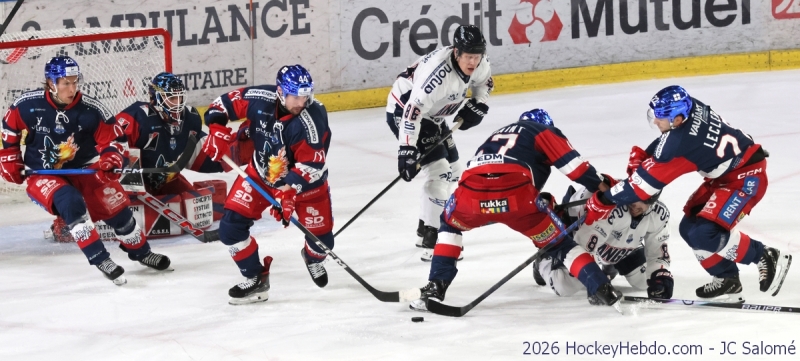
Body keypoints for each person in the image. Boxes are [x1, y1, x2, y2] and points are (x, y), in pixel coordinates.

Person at [584, 85, 792, 301]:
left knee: (705, 234)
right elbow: (668, 140)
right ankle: (727, 279)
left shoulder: (680, 143)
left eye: (660, 117)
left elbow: (641, 187)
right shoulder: (690, 106)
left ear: (676, 119)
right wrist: (647, 154)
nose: (655, 121)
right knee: (690, 227)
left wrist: (604, 200)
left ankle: (765, 255)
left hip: (746, 177)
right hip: (727, 176)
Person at [409, 108, 622, 311]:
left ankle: (436, 286)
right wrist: (604, 190)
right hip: (518, 198)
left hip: (470, 196)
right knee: (560, 245)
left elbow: (486, 182)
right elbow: (575, 167)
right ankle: (601, 287)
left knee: (448, 225)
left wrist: (492, 209)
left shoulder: (496, 135)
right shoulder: (541, 130)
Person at [0, 56, 171, 285]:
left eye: (74, 82)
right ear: (51, 83)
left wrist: (111, 161)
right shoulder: (27, 104)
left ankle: (141, 253)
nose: (72, 88)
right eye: (66, 83)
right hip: (43, 174)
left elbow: (114, 140)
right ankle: (101, 259)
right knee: (71, 203)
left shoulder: (91, 109)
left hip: (85, 169)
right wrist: (9, 158)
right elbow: (9, 128)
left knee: (118, 209)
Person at [201, 64, 333, 305]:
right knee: (230, 229)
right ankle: (255, 279)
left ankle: (313, 258)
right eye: (296, 96)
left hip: (305, 185)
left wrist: (288, 191)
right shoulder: (259, 98)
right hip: (260, 174)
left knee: (322, 243)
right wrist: (217, 130)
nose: (301, 102)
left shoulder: (312, 120)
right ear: (281, 92)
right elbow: (221, 104)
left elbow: (312, 165)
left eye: (305, 95)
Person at [389, 25, 493, 261]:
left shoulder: (480, 62)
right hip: (406, 112)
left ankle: (425, 226)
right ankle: (433, 239)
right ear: (456, 52)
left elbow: (484, 83)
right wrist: (406, 149)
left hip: (434, 117)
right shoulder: (437, 76)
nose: (473, 62)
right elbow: (412, 111)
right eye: (468, 56)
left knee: (454, 172)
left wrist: (479, 104)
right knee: (439, 173)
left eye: (477, 56)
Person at [535, 185, 672, 300]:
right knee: (565, 286)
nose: (635, 204)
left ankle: (610, 266)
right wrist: (595, 280)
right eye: (634, 196)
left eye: (644, 200)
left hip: (614, 243)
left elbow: (657, 253)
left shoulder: (658, 214)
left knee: (644, 282)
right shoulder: (610, 207)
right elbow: (585, 247)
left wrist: (660, 277)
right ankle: (544, 261)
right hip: (579, 234)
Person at [115, 72, 230, 195]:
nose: (177, 103)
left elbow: (203, 155)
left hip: (167, 182)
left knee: (195, 202)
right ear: (156, 98)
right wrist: (133, 189)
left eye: (179, 97)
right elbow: (115, 151)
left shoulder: (190, 118)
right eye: (171, 98)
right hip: (131, 186)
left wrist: (233, 152)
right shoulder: (137, 117)